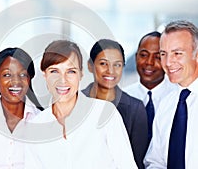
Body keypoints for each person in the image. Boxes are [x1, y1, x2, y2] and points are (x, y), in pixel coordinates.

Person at [24, 40, 137, 169]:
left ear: (81, 74)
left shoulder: (104, 113)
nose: (63, 80)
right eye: (54, 71)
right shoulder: (35, 127)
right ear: (44, 75)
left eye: (71, 71)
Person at [82, 39, 148, 169]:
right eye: (103, 63)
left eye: (117, 65)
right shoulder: (75, 102)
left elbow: (137, 160)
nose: (110, 71)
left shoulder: (135, 108)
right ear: (90, 65)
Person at [144, 20, 198, 168]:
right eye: (163, 54)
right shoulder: (166, 105)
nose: (168, 62)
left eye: (177, 53)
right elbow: (155, 161)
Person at [124, 31, 177, 143]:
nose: (149, 62)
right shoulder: (123, 98)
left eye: (157, 57)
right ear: (136, 57)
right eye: (143, 55)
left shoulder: (179, 98)